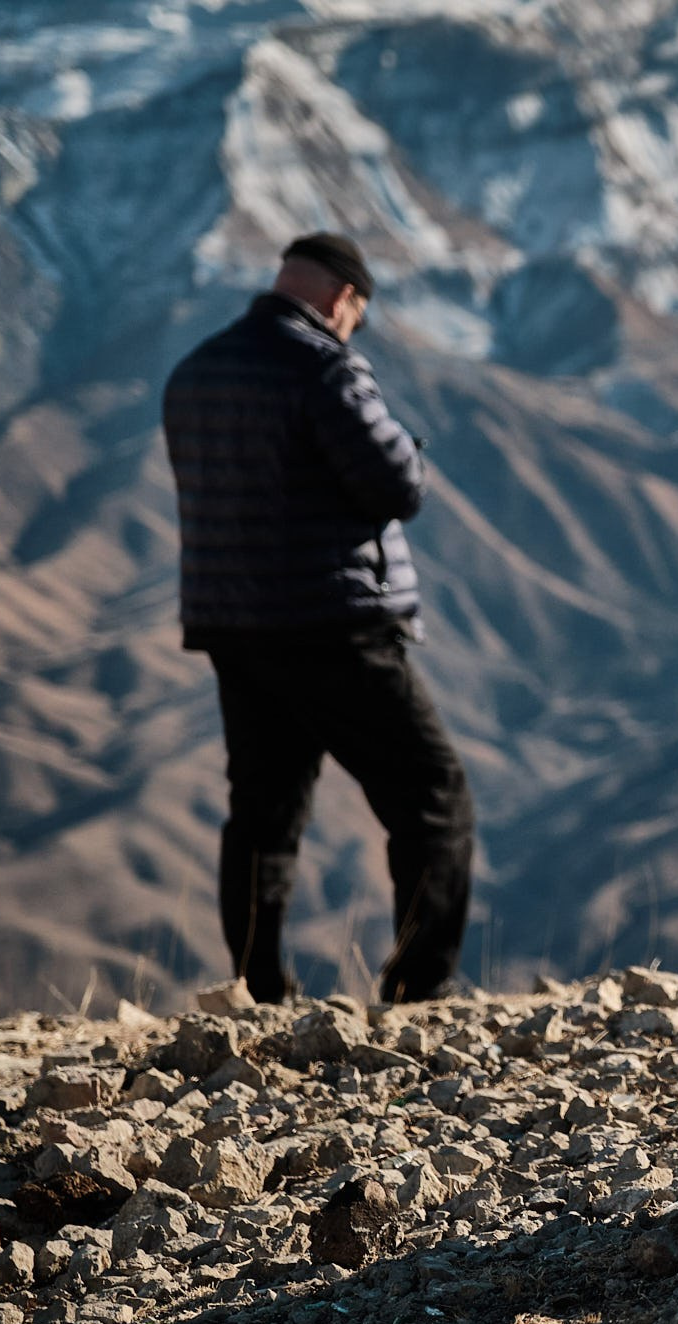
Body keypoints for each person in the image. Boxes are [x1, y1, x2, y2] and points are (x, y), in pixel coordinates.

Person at [162, 232, 474, 1004]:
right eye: (355, 316)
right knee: (434, 795)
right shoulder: (325, 367)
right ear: (343, 299)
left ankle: (257, 987)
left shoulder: (194, 372)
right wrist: (412, 447)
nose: (351, 329)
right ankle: (418, 989)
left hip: (234, 624)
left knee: (264, 809)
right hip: (334, 624)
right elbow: (397, 485)